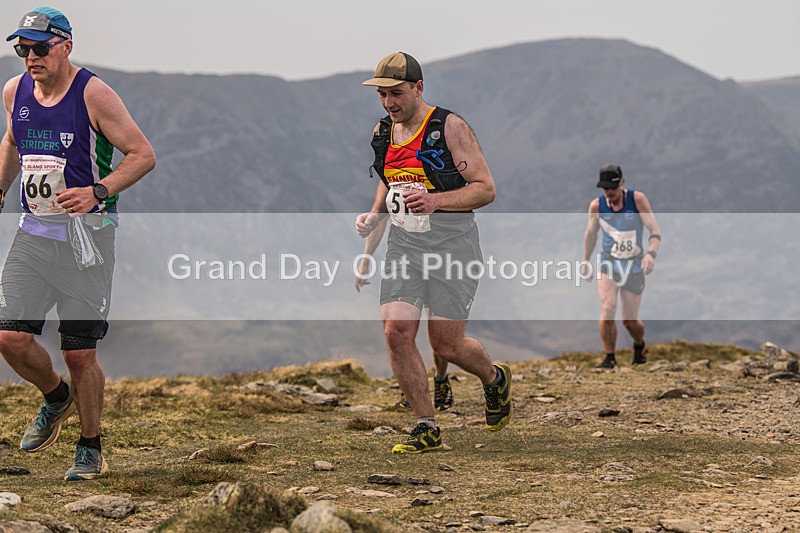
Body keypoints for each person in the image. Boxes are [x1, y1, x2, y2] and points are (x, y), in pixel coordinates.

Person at [0, 7, 155, 481]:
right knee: (9, 336)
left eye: (40, 47)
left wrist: (98, 191)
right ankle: (55, 397)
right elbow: (12, 141)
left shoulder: (94, 94)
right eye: (22, 48)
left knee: (79, 353)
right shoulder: (15, 91)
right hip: (33, 236)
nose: (30, 57)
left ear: (66, 46)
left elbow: (143, 155)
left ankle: (90, 446)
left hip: (88, 241)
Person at [356, 52, 511, 454]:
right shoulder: (381, 132)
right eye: (383, 95)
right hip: (405, 246)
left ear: (418, 88)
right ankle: (426, 426)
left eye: (396, 93)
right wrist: (374, 216)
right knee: (396, 332)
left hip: (453, 245)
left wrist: (436, 201)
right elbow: (390, 181)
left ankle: (494, 379)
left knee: (446, 346)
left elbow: (486, 188)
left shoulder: (449, 128)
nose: (389, 103)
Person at [355, 216, 454, 412]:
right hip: (406, 261)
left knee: (438, 328)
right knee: (400, 327)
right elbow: (381, 216)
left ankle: (441, 378)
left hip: (440, 256)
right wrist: (366, 258)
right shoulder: (393, 185)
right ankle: (412, 389)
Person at [581, 165, 661, 369]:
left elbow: (655, 232)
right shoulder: (596, 206)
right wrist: (585, 260)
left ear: (622, 183)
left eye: (613, 188)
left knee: (629, 321)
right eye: (605, 188)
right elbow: (591, 234)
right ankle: (610, 358)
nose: (609, 193)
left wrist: (651, 255)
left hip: (634, 265)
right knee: (607, 308)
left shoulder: (637, 200)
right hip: (608, 263)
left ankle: (639, 344)